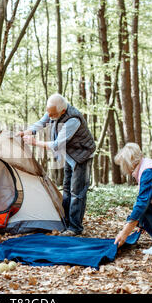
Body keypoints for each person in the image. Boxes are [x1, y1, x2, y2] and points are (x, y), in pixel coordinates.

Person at [16, 93, 96, 236]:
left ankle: (75, 228)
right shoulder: (53, 110)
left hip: (81, 156)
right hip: (69, 155)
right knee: (66, 189)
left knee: (77, 193)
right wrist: (26, 132)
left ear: (62, 111)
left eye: (52, 114)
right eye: (49, 112)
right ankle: (65, 222)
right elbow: (41, 123)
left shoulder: (73, 120)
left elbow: (57, 144)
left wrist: (35, 142)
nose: (49, 116)